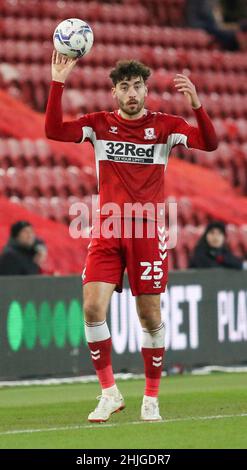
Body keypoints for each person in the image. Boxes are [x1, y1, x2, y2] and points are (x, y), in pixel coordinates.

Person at [45, 52, 218, 422]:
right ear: (114, 93)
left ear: (145, 89)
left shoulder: (166, 126)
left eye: (137, 86)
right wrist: (57, 81)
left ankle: (151, 398)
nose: (132, 93)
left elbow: (210, 143)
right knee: (92, 308)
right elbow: (53, 130)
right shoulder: (98, 125)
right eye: (124, 87)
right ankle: (109, 392)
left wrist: (197, 106)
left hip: (147, 231)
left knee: (149, 316)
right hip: (108, 228)